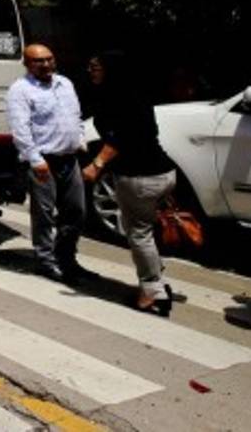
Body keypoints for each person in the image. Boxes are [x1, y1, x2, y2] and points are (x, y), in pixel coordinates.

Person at [82, 51, 177, 315]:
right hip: (163, 172)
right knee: (148, 229)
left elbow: (119, 138)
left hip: (140, 176)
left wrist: (96, 165)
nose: (91, 71)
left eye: (96, 66)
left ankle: (152, 292)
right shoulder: (136, 93)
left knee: (139, 233)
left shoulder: (118, 97)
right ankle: (157, 277)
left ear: (111, 69)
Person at [6, 43, 91, 283]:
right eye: (38, 61)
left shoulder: (65, 83)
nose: (45, 64)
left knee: (76, 211)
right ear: (27, 64)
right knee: (44, 214)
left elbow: (76, 116)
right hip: (43, 161)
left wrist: (80, 139)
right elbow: (20, 129)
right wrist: (35, 159)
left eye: (49, 59)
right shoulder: (20, 90)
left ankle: (67, 258)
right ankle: (46, 261)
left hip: (69, 158)